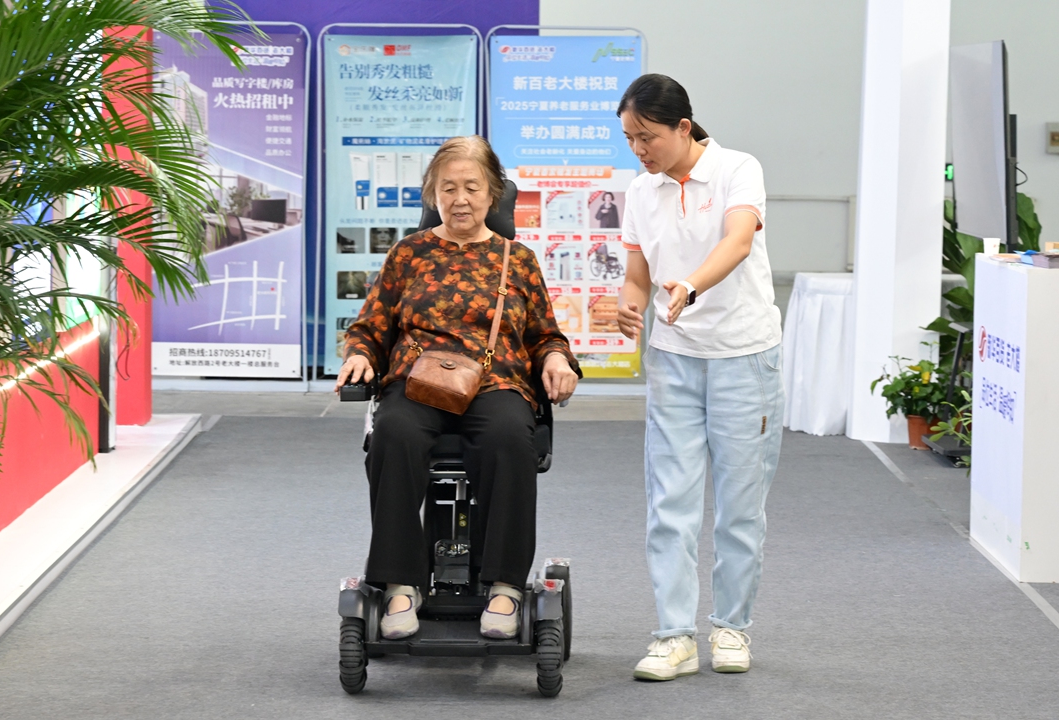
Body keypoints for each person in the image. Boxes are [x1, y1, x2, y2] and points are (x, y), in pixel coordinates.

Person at [336, 135, 581, 641]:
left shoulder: (518, 259)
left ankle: (504, 587)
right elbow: (372, 325)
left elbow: (543, 334)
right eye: (448, 188)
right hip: (418, 380)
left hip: (496, 382)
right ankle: (402, 583)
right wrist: (360, 353)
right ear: (433, 194)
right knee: (395, 432)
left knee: (509, 437)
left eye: (472, 187)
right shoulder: (408, 254)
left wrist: (557, 357)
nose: (460, 198)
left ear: (494, 194)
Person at [615, 75, 784, 680]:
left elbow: (739, 241)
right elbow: (637, 275)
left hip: (744, 355)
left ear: (683, 127)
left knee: (740, 506)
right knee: (671, 503)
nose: (640, 149)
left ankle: (732, 628)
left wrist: (690, 284)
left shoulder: (739, 169)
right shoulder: (641, 190)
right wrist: (629, 304)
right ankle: (674, 636)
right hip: (674, 357)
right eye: (631, 138)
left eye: (648, 136)